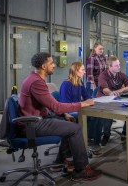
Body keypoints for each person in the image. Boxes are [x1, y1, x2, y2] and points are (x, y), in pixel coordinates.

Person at [18, 52, 101, 181]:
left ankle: (65, 162)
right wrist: (82, 104)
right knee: (75, 128)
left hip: (39, 118)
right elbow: (56, 106)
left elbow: (50, 105)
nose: (54, 65)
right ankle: (81, 169)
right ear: (44, 66)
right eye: (51, 63)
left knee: (68, 124)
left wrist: (64, 114)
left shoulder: (36, 79)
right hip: (33, 124)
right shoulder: (36, 82)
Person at [59, 62, 102, 153]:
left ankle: (93, 141)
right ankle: (87, 140)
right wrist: (84, 103)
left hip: (79, 108)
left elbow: (86, 96)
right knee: (92, 116)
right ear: (75, 71)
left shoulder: (80, 82)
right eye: (82, 70)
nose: (85, 72)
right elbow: (64, 105)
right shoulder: (66, 84)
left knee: (98, 115)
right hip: (69, 111)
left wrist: (90, 100)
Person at [97, 56, 128, 145]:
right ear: (109, 66)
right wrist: (111, 93)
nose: (119, 67)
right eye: (116, 65)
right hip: (104, 100)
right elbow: (104, 89)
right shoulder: (103, 75)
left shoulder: (120, 74)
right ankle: (106, 135)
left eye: (119, 65)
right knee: (108, 113)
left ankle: (125, 133)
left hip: (116, 99)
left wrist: (120, 91)